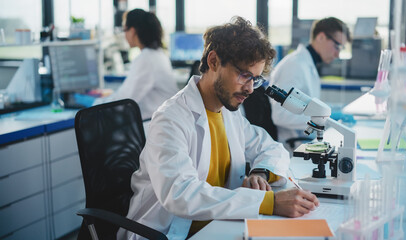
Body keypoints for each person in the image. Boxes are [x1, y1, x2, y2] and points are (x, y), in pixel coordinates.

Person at [118, 16, 319, 240]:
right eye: (244, 75)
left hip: (219, 226)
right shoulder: (171, 118)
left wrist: (260, 172)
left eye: (255, 79)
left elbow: (271, 148)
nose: (250, 89)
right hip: (170, 233)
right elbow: (181, 194)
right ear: (213, 61)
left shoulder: (228, 113)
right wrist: (268, 202)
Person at [270, 17, 351, 152]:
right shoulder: (294, 66)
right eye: (337, 46)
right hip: (293, 145)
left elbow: (306, 106)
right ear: (320, 37)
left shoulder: (307, 64)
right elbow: (280, 116)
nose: (337, 54)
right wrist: (324, 119)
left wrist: (329, 111)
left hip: (307, 139)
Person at [94, 9, 178, 120]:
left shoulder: (147, 59)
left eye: (125, 30)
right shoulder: (158, 54)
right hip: (163, 121)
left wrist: (95, 103)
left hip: (156, 126)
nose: (124, 35)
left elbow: (122, 102)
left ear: (132, 31)